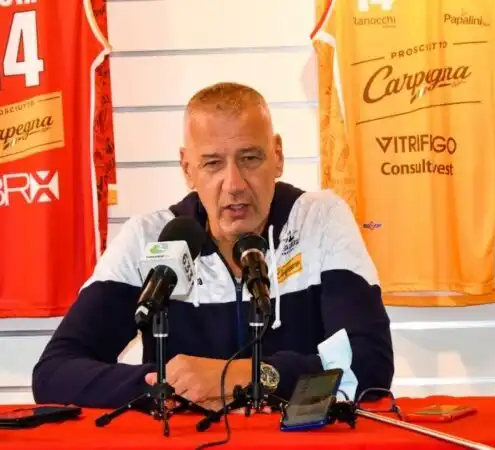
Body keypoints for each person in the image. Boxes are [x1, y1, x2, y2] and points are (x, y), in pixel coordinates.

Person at [32, 82, 394, 411]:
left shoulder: (319, 219)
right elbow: (54, 373)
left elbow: (369, 365)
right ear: (187, 168)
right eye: (212, 164)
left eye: (250, 158)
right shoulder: (148, 237)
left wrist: (246, 376)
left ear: (278, 155)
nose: (234, 184)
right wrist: (169, 386)